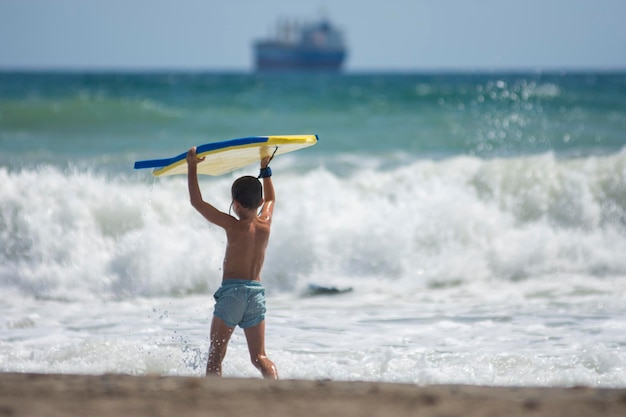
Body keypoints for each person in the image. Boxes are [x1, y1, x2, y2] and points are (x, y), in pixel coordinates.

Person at [186, 146, 278, 379]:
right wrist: (265, 169)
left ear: (235, 203)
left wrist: (192, 167)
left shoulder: (233, 225)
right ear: (259, 202)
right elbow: (272, 198)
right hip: (256, 295)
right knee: (259, 357)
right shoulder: (265, 223)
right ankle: (276, 387)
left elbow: (197, 202)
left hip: (233, 294)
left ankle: (212, 397)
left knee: (216, 355)